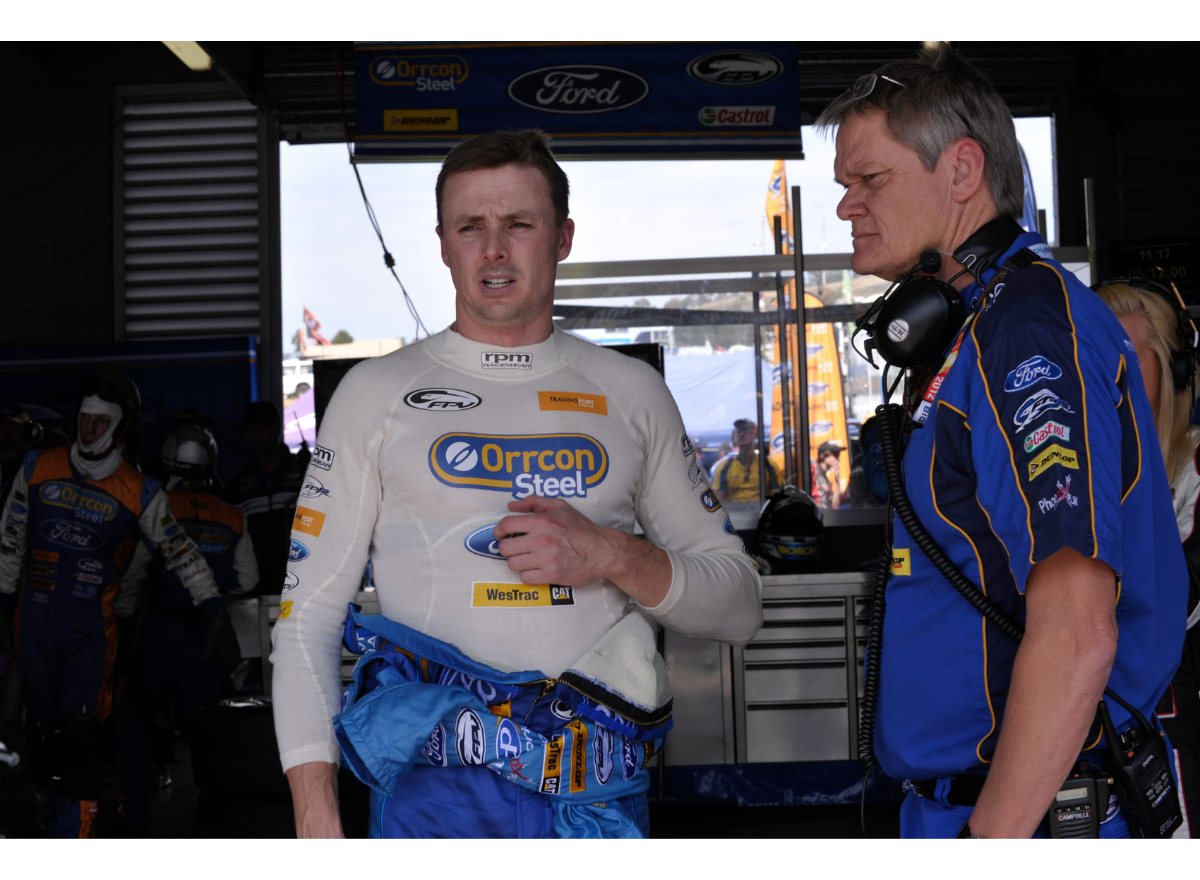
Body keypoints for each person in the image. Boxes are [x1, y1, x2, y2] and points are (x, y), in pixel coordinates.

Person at [271, 129, 762, 839]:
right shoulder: (373, 394)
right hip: (430, 803)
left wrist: (614, 556)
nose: (494, 250)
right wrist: (317, 822)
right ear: (443, 243)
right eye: (471, 227)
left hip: (592, 801)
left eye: (519, 225)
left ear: (561, 237)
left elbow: (739, 605)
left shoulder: (631, 391)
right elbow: (306, 618)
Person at [815, 44, 1185, 838]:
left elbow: (1079, 625)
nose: (847, 207)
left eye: (869, 180)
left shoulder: (1025, 331)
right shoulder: (975, 327)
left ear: (961, 171)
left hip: (1028, 818)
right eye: (844, 185)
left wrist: (992, 842)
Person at [0, 370, 226, 838]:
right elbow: (9, 540)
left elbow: (180, 551)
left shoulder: (140, 491)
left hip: (90, 633)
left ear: (120, 428)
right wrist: (2, 602)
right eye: (83, 420)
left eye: (99, 423)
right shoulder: (34, 467)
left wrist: (213, 608)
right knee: (46, 745)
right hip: (33, 626)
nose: (87, 431)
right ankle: (49, 827)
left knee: (82, 743)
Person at [1095, 279, 1200, 837]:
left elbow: (1174, 597)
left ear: (1172, 370)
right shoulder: (1073, 480)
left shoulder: (1193, 471)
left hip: (1173, 729)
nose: (1107, 377)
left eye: (1126, 359)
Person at [116, 423, 257, 835]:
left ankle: (135, 823)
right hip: (204, 639)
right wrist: (213, 584)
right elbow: (249, 578)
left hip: (157, 634)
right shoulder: (233, 515)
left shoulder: (156, 505)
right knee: (207, 733)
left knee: (137, 725)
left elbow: (135, 575)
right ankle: (218, 821)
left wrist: (123, 624)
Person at [224, 401, 307, 596]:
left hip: (301, 585)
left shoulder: (305, 474)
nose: (257, 434)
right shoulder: (235, 483)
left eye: (264, 428)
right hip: (254, 589)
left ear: (278, 429)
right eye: (251, 429)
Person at [710, 418, 783, 504]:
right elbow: (718, 497)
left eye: (746, 431)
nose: (742, 434)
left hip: (762, 514)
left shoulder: (769, 465)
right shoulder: (724, 467)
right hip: (734, 515)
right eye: (739, 432)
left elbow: (777, 496)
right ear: (735, 437)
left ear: (755, 435)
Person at [814, 440, 845, 510]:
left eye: (838, 455)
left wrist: (837, 482)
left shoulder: (824, 477)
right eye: (835, 455)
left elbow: (834, 507)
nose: (838, 459)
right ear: (823, 456)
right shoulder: (815, 473)